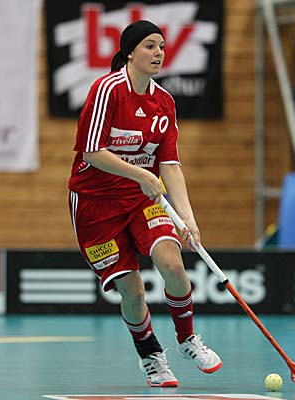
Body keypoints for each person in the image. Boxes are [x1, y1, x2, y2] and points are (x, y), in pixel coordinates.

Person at [68, 20, 222, 387]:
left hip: (141, 198)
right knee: (133, 290)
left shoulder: (164, 102)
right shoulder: (107, 90)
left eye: (162, 47)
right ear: (130, 52)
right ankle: (151, 356)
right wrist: (139, 173)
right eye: (150, 46)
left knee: (172, 262)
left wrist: (188, 218)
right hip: (94, 204)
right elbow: (91, 153)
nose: (158, 53)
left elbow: (170, 164)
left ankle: (187, 339)